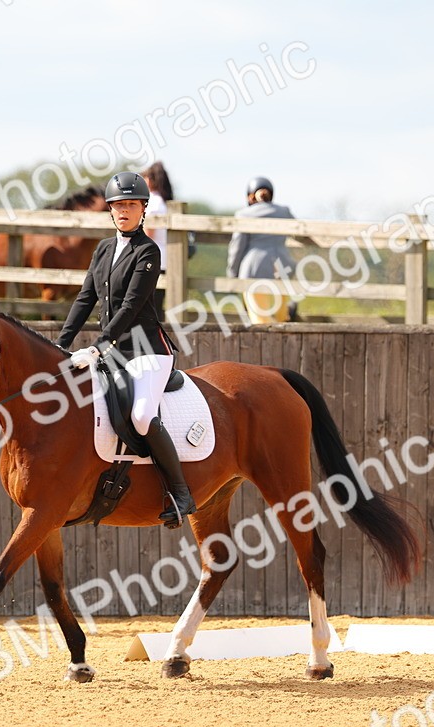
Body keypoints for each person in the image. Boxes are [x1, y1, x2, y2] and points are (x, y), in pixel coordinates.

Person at [55, 171, 196, 528]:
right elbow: (86, 298)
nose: (123, 211)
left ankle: (180, 493)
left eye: (131, 205)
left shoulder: (148, 251)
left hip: (146, 350)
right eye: (118, 205)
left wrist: (99, 346)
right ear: (110, 210)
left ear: (143, 209)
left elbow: (131, 307)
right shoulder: (103, 249)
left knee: (142, 416)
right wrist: (61, 344)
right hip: (113, 350)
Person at [226, 176, 297, 324]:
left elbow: (237, 247)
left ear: (251, 197)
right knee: (281, 318)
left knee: (259, 319)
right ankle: (287, 315)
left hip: (254, 269)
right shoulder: (284, 212)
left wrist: (232, 273)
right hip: (282, 266)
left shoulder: (244, 214)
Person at [142, 161, 173, 318]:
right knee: (156, 308)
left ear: (150, 180)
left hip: (151, 262)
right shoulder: (164, 202)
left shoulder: (152, 203)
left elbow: (148, 236)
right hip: (164, 261)